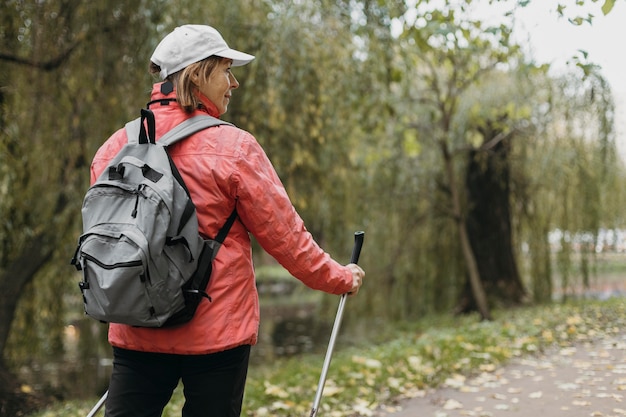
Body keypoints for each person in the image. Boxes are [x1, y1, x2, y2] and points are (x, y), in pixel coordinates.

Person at [90, 24, 365, 417]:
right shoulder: (234, 148)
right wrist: (341, 277)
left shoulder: (113, 149)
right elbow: (287, 239)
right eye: (226, 70)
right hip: (214, 336)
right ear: (198, 72)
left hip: (137, 327)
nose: (233, 82)